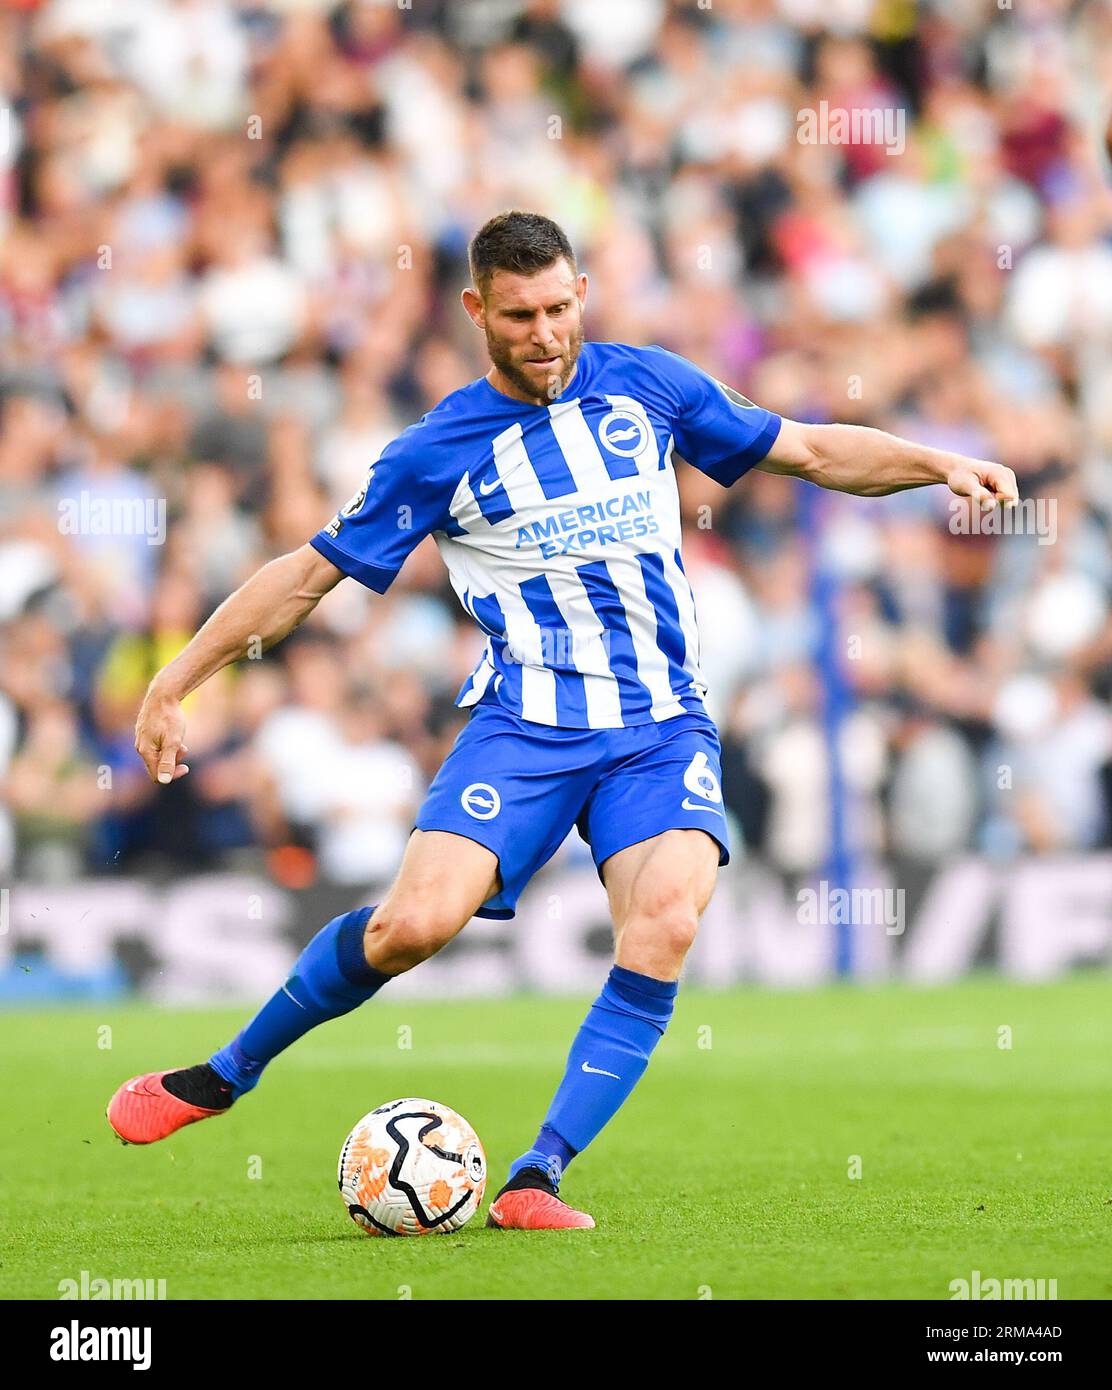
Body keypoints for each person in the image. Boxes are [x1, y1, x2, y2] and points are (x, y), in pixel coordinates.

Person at [107, 211, 1018, 1230]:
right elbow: (308, 576)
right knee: (412, 926)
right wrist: (176, 678)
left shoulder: (648, 385)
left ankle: (536, 1175)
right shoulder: (436, 449)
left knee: (667, 915)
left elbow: (807, 448)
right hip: (525, 727)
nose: (544, 333)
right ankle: (223, 1074)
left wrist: (936, 463)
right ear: (475, 311)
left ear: (580, 290)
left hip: (659, 727)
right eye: (519, 315)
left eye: (558, 308)